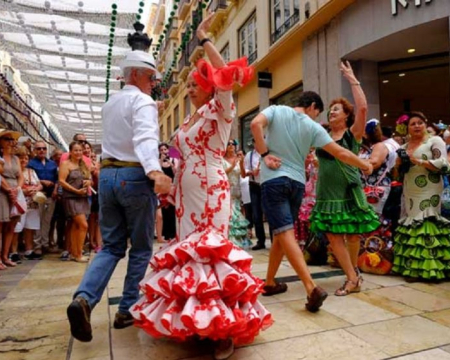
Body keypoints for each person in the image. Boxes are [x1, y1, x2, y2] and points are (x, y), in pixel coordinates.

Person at [130, 13, 271, 360]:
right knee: (190, 254)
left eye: (195, 84)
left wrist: (205, 38)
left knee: (211, 253)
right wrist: (169, 182)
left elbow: (225, 78)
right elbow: (178, 154)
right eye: (189, 85)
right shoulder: (190, 119)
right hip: (186, 191)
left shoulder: (221, 110)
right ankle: (198, 322)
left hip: (211, 188)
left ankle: (224, 331)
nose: (190, 88)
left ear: (210, 85)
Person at [67, 25, 171, 343]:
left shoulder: (111, 103)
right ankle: (126, 310)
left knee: (111, 246)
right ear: (138, 74)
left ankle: (84, 299)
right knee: (140, 248)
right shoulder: (143, 103)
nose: (155, 84)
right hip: (133, 176)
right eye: (152, 78)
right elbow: (144, 138)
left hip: (108, 176)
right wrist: (155, 171)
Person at [251, 88, 373, 311]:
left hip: (275, 180)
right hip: (297, 183)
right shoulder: (313, 126)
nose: (317, 117)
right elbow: (341, 153)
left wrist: (264, 154)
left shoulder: (276, 110)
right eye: (319, 112)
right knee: (281, 234)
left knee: (284, 231)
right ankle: (269, 282)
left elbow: (255, 124)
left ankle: (310, 287)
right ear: (313, 107)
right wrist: (365, 164)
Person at [309, 62, 379, 296]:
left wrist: (352, 78)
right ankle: (352, 276)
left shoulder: (352, 135)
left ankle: (353, 273)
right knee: (332, 234)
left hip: (348, 190)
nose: (331, 112)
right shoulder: (323, 136)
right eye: (330, 110)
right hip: (327, 192)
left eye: (337, 110)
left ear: (347, 115)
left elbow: (362, 108)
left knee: (351, 233)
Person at [392, 112, 450, 281]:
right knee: (413, 222)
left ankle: (431, 269)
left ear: (425, 124)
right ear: (407, 128)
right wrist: (398, 165)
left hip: (430, 189)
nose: (417, 126)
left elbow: (444, 164)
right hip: (410, 189)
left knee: (426, 221)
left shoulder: (435, 141)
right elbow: (396, 176)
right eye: (412, 124)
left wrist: (419, 162)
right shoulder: (403, 147)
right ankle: (413, 268)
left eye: (420, 123)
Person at [59, 141, 91, 263]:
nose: (78, 153)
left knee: (75, 226)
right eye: (76, 150)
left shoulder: (83, 164)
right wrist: (76, 191)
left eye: (80, 150)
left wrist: (89, 182)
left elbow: (89, 179)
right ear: (70, 152)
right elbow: (62, 181)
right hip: (71, 198)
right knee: (84, 225)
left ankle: (74, 252)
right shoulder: (65, 164)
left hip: (82, 197)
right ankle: (78, 253)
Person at [11, 147, 43, 262]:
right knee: (16, 228)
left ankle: (29, 250)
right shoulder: (13, 172)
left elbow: (39, 184)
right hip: (19, 203)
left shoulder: (31, 171)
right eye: (21, 157)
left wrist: (36, 189)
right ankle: (13, 251)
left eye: (26, 158)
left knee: (30, 227)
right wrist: (24, 191)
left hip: (32, 204)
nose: (24, 160)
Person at [27, 141, 59, 256]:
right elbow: (28, 177)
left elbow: (57, 179)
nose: (42, 150)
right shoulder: (31, 163)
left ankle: (45, 244)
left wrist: (56, 190)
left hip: (51, 195)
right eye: (39, 148)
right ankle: (37, 245)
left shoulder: (52, 163)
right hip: (37, 195)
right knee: (37, 220)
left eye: (44, 148)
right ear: (35, 150)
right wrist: (42, 182)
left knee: (47, 220)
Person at [0, 129, 23, 268]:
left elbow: (20, 175)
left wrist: (18, 189)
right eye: (7, 139)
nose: (11, 142)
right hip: (2, 191)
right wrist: (8, 189)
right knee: (1, 223)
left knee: (11, 225)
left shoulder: (15, 158)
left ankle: (5, 255)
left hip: (14, 190)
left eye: (11, 140)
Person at [359, 119, 392, 215]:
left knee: (373, 216)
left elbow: (375, 162)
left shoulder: (380, 146)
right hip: (362, 186)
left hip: (376, 186)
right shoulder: (362, 148)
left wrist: (353, 162)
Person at [223, 139, 251, 248]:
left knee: (237, 214)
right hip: (226, 190)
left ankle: (239, 241)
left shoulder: (238, 160)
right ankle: (229, 240)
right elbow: (222, 173)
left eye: (233, 144)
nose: (230, 146)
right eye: (228, 144)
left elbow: (243, 175)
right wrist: (232, 165)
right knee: (229, 214)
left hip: (236, 191)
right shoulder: (222, 160)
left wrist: (242, 163)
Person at [243, 139, 267, 250]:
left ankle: (274, 239)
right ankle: (260, 241)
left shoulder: (268, 153)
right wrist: (251, 172)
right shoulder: (249, 155)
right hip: (254, 185)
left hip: (266, 185)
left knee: (269, 213)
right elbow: (245, 169)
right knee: (256, 215)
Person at [158, 142, 177, 242]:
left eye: (165, 149)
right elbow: (157, 173)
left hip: (171, 189)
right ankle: (165, 234)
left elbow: (176, 173)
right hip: (162, 190)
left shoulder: (173, 160)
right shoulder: (158, 162)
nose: (164, 152)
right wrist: (161, 161)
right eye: (161, 150)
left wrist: (172, 165)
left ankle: (173, 233)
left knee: (172, 211)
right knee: (164, 212)